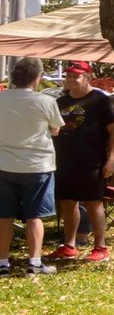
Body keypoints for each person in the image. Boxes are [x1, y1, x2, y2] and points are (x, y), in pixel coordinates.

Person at [50, 61, 114, 263]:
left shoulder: (100, 100)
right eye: (68, 76)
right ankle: (69, 245)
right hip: (63, 160)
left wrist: (111, 159)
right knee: (67, 203)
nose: (70, 80)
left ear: (87, 78)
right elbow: (54, 128)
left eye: (75, 76)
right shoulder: (60, 102)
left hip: (92, 160)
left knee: (93, 202)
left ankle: (101, 247)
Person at [0, 58, 65, 275]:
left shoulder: (1, 99)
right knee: (34, 216)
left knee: (4, 216)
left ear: (13, 77)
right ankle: (34, 263)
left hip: (4, 164)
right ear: (36, 79)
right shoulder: (45, 101)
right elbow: (56, 129)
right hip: (37, 165)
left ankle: (3, 263)